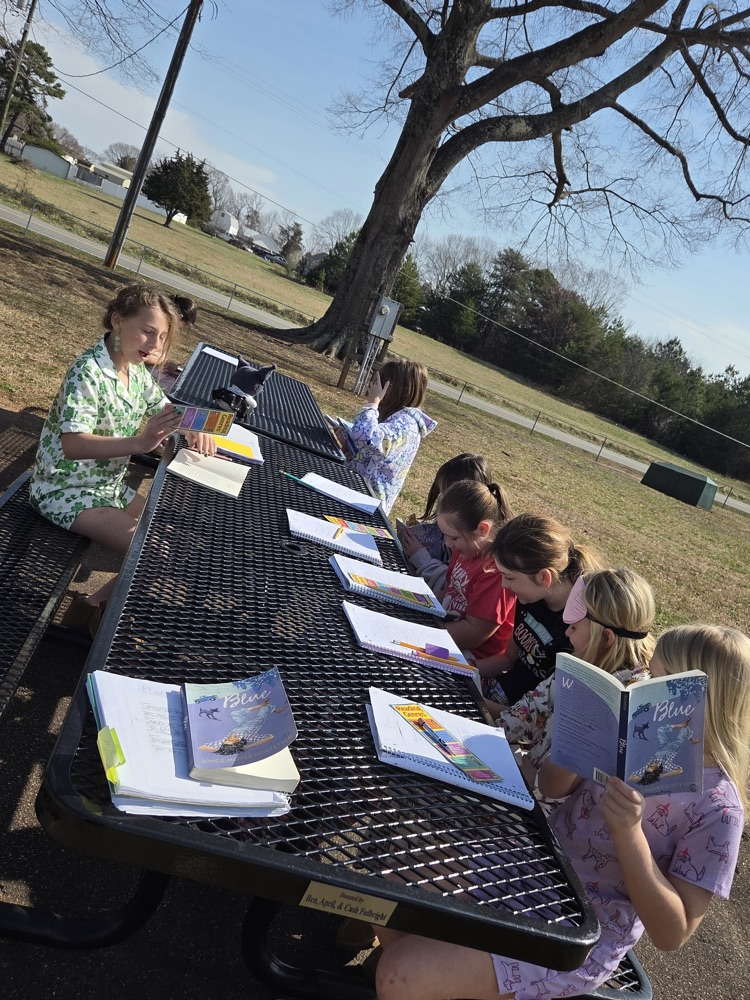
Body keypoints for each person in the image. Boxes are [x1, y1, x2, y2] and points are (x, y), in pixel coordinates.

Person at [374, 624, 750, 1000]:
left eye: (659, 682)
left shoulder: (718, 807)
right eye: (648, 674)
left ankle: (436, 976)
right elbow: (553, 789)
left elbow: (672, 933)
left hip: (579, 931)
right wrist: (582, 746)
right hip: (532, 867)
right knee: (387, 875)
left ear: (703, 703)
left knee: (399, 976)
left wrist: (629, 833)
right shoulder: (634, 739)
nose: (643, 688)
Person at [29, 283, 215, 631]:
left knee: (168, 532)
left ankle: (92, 608)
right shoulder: (88, 372)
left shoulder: (132, 370)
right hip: (62, 490)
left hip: (105, 487)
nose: (155, 345)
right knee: (153, 551)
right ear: (117, 321)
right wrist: (140, 442)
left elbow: (163, 406)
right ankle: (87, 613)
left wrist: (191, 425)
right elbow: (73, 445)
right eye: (147, 332)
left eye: (161, 337)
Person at [499, 568, 655, 794]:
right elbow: (522, 714)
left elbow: (555, 790)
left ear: (606, 637)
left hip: (544, 812)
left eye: (573, 627)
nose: (567, 634)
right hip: (522, 780)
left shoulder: (628, 703)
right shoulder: (577, 664)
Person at [477, 513, 603, 717]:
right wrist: (464, 670)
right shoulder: (530, 597)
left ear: (544, 577)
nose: (503, 585)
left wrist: (476, 702)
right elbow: (508, 658)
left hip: (516, 723)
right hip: (495, 697)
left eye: (509, 577)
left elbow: (541, 721)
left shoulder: (580, 629)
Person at [435, 480, 516, 660]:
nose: (448, 544)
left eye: (454, 538)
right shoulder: (465, 549)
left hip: (471, 657)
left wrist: (424, 630)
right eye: (446, 536)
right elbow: (450, 592)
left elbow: (475, 634)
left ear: (482, 529)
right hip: (446, 632)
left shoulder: (495, 571)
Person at [346, 359, 436, 514]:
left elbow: (368, 440)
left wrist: (373, 403)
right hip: (360, 494)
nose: (374, 387)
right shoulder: (399, 420)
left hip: (367, 504)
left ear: (400, 390)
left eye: (380, 384)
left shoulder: (406, 424)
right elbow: (375, 451)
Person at [398, 453, 492, 594]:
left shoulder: (475, 548)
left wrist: (421, 557)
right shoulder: (463, 533)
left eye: (445, 494)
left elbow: (453, 586)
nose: (441, 500)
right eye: (440, 493)